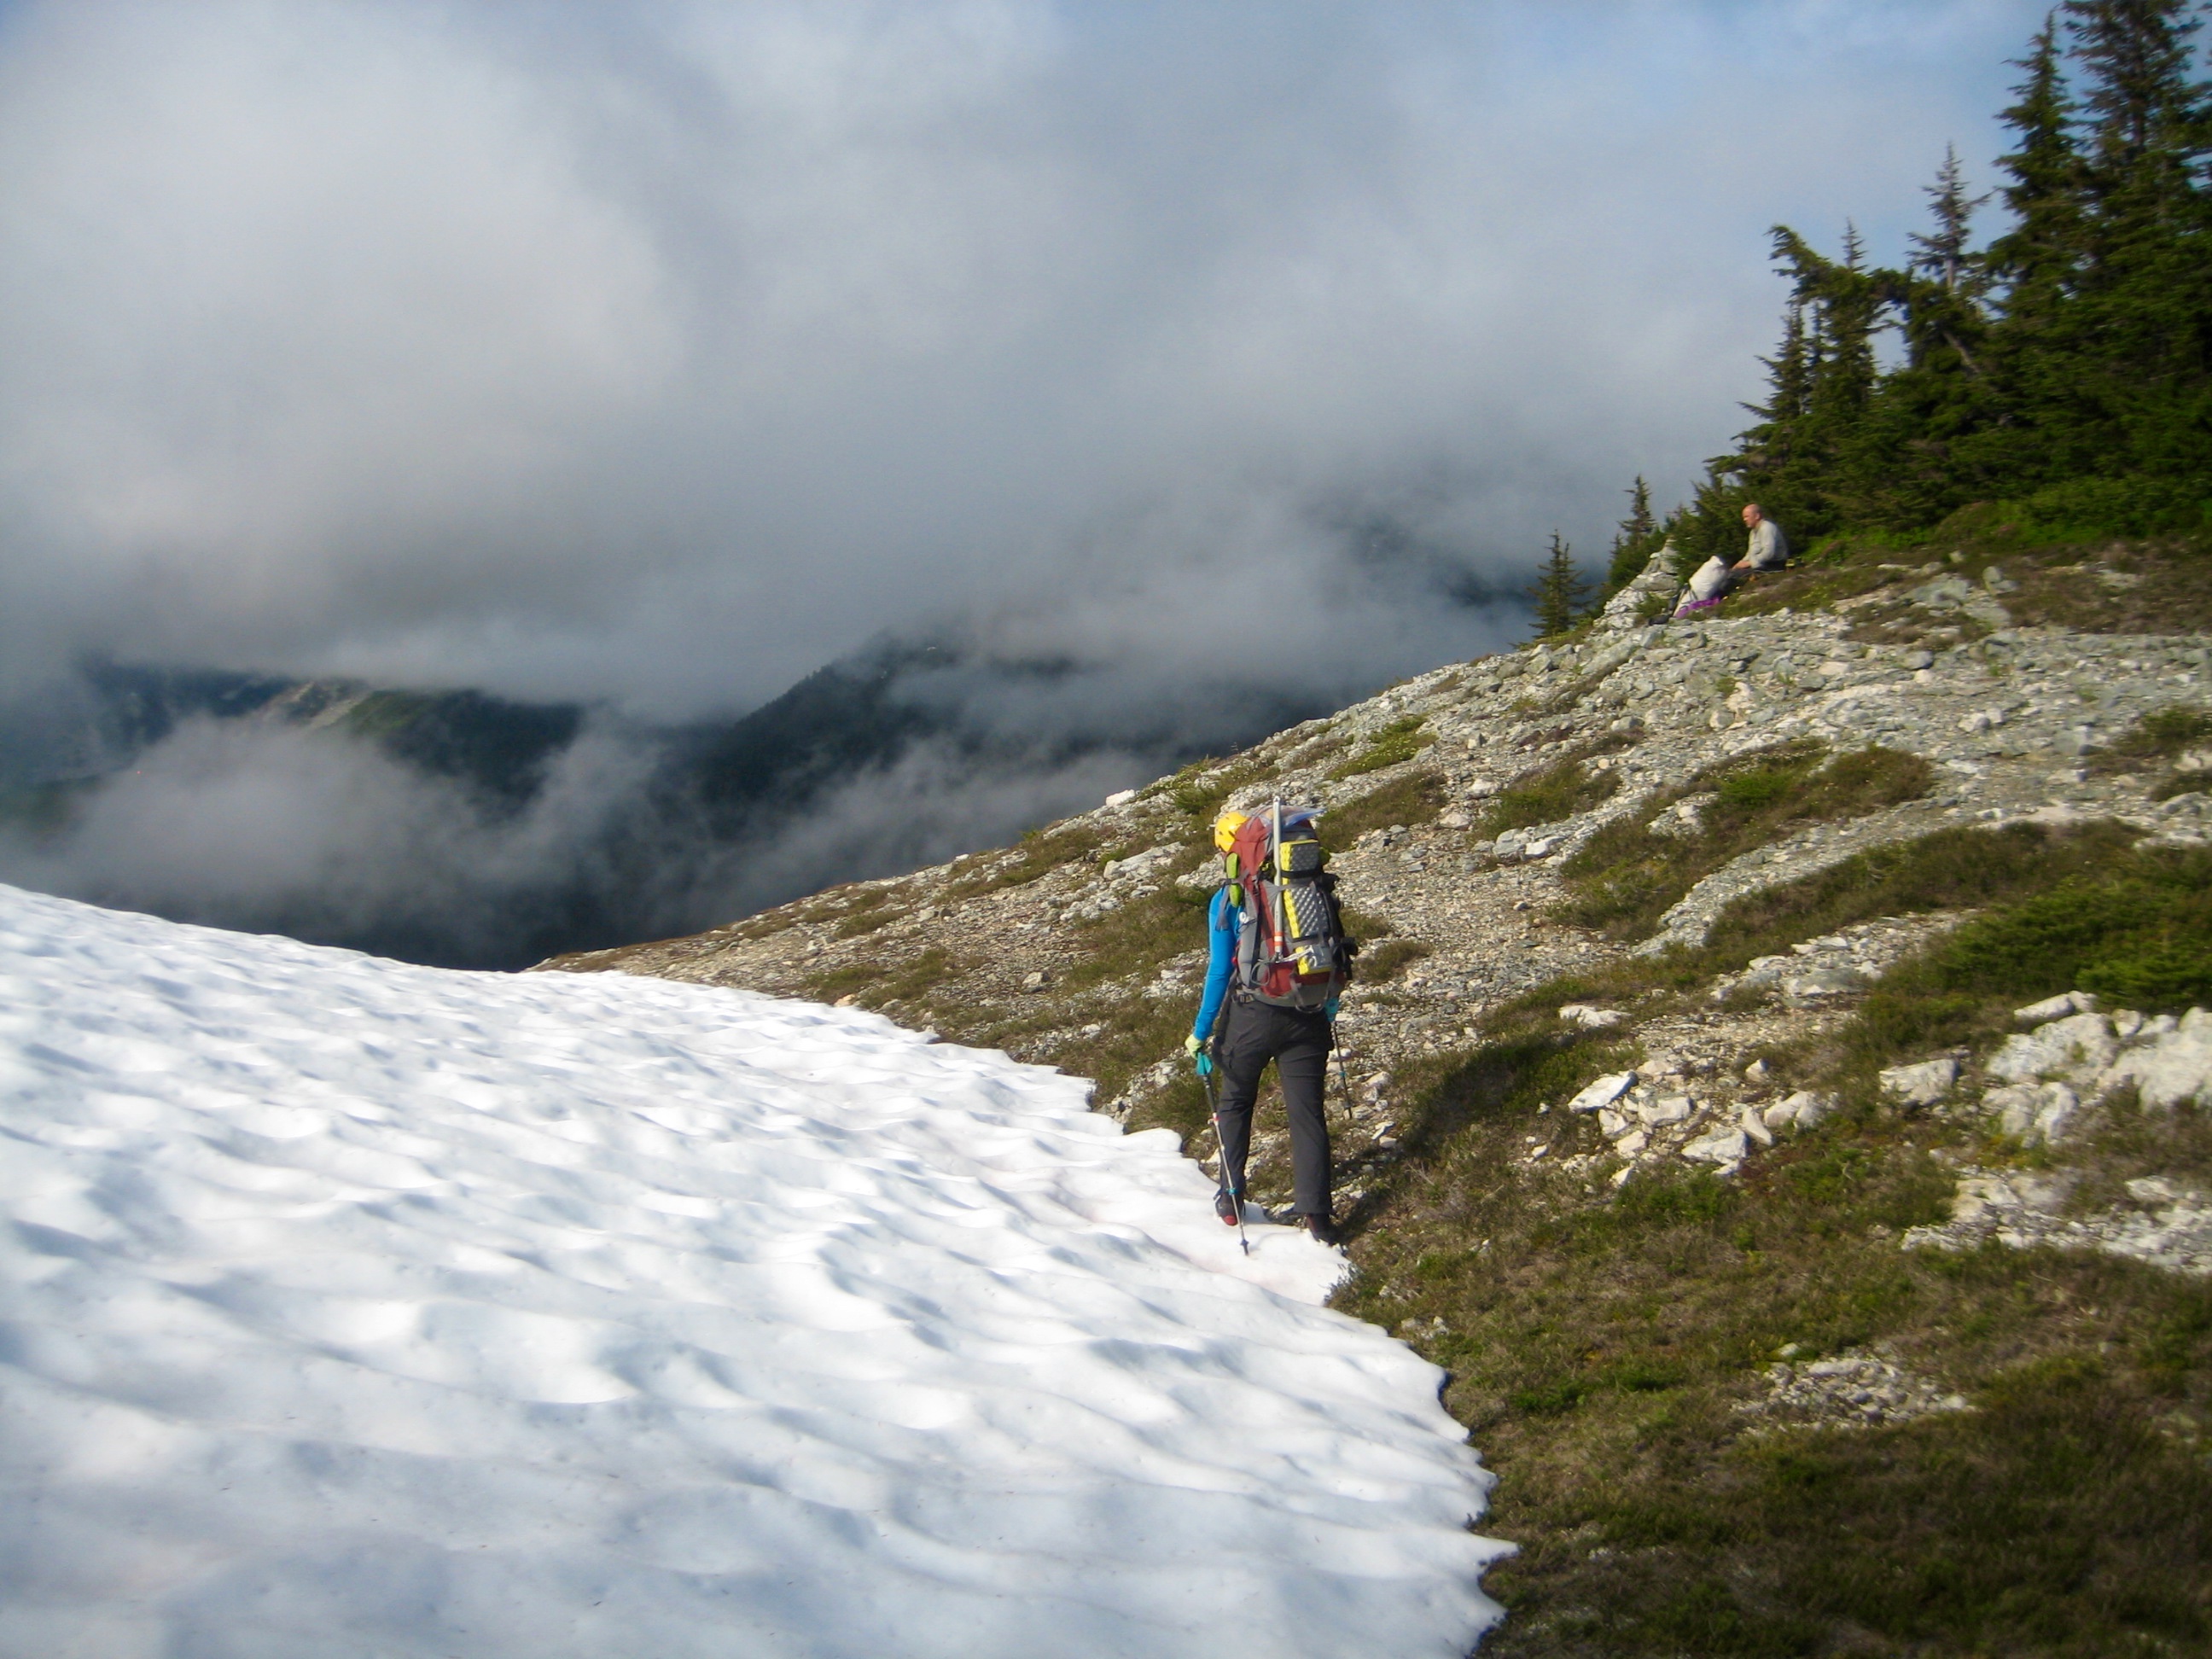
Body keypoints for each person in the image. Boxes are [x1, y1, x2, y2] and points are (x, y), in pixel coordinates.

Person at [1185, 810, 1338, 1244]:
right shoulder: (1310, 890)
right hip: (1307, 1011)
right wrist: (1328, 1004)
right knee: (1307, 1112)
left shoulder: (1231, 898)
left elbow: (1220, 971)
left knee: (1235, 1102)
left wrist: (1201, 1030)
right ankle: (1317, 1216)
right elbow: (1328, 950)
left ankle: (1232, 1197)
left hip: (1252, 1015)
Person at [1733, 502, 1790, 576]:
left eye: (1747, 516)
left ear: (1757, 516)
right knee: (1731, 574)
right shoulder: (1753, 532)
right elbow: (1751, 553)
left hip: (1774, 565)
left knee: (1736, 576)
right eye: (1744, 517)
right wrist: (1739, 564)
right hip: (1760, 564)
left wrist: (1750, 563)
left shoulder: (1767, 528)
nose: (1744, 519)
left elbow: (1768, 554)